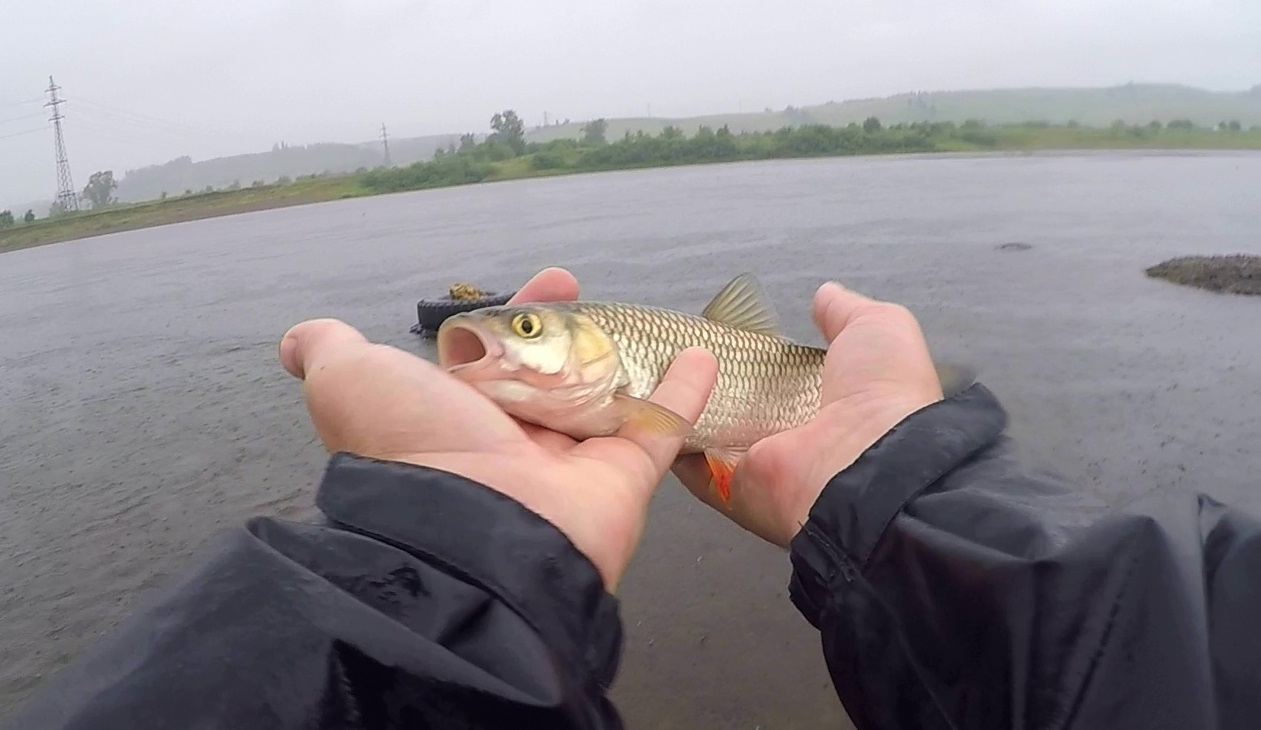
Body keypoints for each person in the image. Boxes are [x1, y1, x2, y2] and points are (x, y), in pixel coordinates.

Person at [3, 267, 1259, 730]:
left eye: (532, 329)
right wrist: (913, 485)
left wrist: (439, 569)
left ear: (598, 348)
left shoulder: (648, 373)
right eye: (519, 331)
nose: (511, 341)